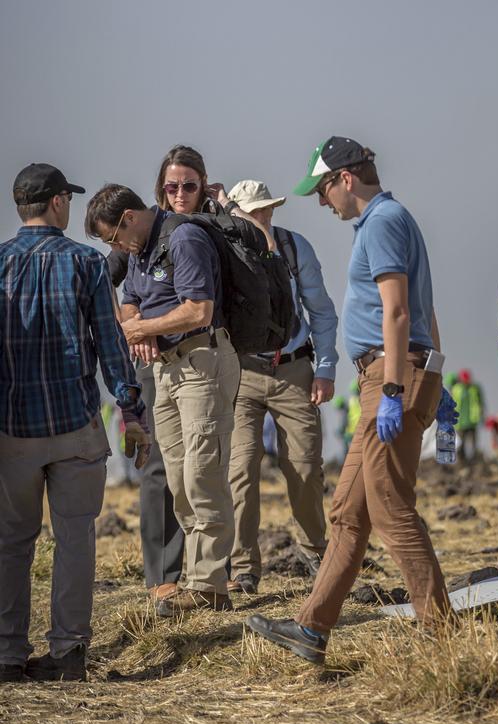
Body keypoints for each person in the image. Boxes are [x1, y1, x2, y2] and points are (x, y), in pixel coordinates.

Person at [247, 136, 456, 664]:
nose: (321, 202)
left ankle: (444, 637)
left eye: (322, 190)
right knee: (347, 512)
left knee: (389, 507)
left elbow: (400, 311)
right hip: (397, 369)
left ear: (344, 178)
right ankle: (311, 629)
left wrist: (393, 388)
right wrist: (434, 371)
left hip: (388, 374)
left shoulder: (383, 222)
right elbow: (422, 310)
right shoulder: (387, 220)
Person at [0, 164, 149, 682]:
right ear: (59, 203)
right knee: (75, 538)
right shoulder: (86, 263)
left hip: (12, 428)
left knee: (12, 542)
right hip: (76, 425)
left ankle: (6, 653)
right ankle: (67, 652)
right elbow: (111, 346)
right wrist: (131, 412)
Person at [85, 183, 241, 617]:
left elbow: (198, 310)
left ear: (130, 217)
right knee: (177, 477)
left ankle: (210, 583)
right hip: (167, 369)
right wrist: (142, 327)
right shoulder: (139, 250)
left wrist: (141, 330)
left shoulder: (184, 238)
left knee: (202, 473)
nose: (113, 247)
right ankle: (197, 578)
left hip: (201, 362)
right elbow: (130, 302)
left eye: (112, 237)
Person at [224, 179, 339, 595]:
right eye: (253, 211)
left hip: (294, 369)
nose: (263, 217)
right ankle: (242, 569)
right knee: (240, 470)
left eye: (268, 209)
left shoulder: (294, 248)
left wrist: (325, 369)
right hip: (241, 372)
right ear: (234, 213)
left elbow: (322, 311)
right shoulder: (223, 250)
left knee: (306, 467)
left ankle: (315, 551)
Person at [450, 369, 485, 461]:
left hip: (472, 420)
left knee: (473, 442)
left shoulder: (474, 388)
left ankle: (473, 461)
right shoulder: (456, 389)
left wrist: (482, 415)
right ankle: (462, 461)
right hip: (460, 421)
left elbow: (480, 403)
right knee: (460, 443)